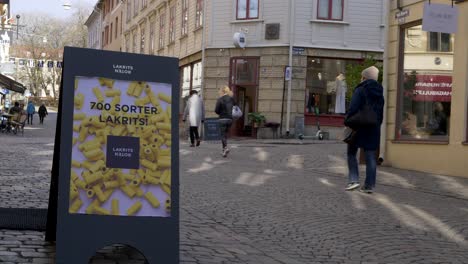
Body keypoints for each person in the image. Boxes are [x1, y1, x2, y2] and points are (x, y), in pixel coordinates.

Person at [345, 66, 385, 193]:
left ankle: (353, 180)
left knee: (351, 152)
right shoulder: (380, 93)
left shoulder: (361, 89)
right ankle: (369, 186)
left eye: (362, 77)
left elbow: (353, 107)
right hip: (374, 127)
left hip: (359, 125)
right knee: (370, 156)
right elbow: (381, 113)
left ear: (364, 77)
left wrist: (348, 120)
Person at [215, 86, 235, 158]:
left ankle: (225, 148)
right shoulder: (232, 99)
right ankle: (224, 151)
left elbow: (216, 110)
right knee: (225, 135)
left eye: (220, 91)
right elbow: (235, 107)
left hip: (222, 119)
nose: (219, 92)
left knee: (223, 135)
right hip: (230, 119)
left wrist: (221, 112)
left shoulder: (220, 99)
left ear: (222, 91)